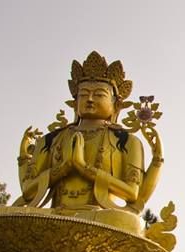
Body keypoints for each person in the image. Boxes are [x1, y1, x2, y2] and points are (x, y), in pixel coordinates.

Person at [11, 51, 162, 234]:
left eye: (99, 95)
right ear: (74, 103)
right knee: (2, 215)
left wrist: (84, 168)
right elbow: (28, 191)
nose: (90, 99)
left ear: (115, 105)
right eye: (83, 94)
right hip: (53, 214)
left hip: (100, 217)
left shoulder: (127, 141)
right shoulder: (50, 140)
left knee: (127, 222)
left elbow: (132, 193)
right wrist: (63, 168)